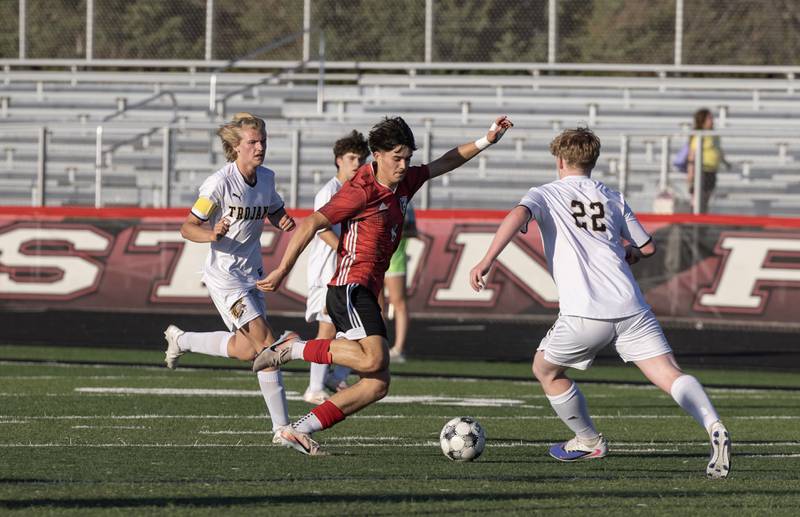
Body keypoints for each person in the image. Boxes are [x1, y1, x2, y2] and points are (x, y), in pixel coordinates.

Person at [468, 127, 731, 479]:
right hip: (631, 307)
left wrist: (487, 259)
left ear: (560, 160)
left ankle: (587, 439)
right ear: (592, 161)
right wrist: (627, 252)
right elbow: (648, 247)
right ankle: (713, 423)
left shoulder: (545, 193)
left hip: (584, 311)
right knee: (670, 374)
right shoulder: (612, 196)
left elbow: (517, 215)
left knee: (545, 370)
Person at [253, 115, 514, 455]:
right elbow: (312, 223)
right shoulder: (361, 190)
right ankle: (294, 348)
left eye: (407, 157)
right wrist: (282, 270)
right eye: (397, 158)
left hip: (366, 290)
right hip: (349, 286)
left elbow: (445, 162)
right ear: (376, 154)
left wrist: (486, 140)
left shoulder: (404, 181)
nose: (404, 165)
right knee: (374, 359)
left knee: (377, 384)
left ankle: (299, 429)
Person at [162, 112, 300, 449]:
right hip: (225, 277)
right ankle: (282, 428)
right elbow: (187, 227)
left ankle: (182, 340)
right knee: (267, 343)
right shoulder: (218, 183)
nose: (260, 147)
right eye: (252, 142)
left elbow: (273, 208)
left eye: (263, 141)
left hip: (251, 274)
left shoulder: (266, 178)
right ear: (235, 147)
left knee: (245, 349)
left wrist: (284, 221)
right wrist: (212, 232)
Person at [303, 130, 370, 405]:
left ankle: (335, 375)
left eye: (361, 159)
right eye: (352, 158)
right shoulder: (329, 192)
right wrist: (349, 252)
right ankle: (314, 387)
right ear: (338, 160)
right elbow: (321, 230)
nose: (357, 163)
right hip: (326, 273)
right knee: (327, 331)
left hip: (345, 273)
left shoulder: (358, 193)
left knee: (358, 329)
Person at [382, 202, 417, 363]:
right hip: (374, 256)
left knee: (398, 302)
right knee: (376, 305)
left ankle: (398, 348)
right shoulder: (376, 193)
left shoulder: (405, 201)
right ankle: (378, 346)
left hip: (394, 258)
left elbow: (412, 230)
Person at [687, 108, 730, 213]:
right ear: (702, 120)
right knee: (697, 198)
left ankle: (702, 221)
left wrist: (725, 162)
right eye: (709, 118)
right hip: (701, 171)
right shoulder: (699, 135)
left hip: (711, 170)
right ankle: (694, 222)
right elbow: (692, 155)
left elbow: (718, 150)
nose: (712, 120)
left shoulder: (714, 135)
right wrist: (691, 174)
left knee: (706, 198)